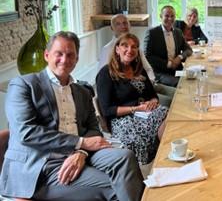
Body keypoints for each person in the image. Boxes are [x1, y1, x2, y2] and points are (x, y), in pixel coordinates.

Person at [0, 31, 144, 200]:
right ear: (47, 55)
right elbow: (26, 132)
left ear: (76, 59)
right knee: (116, 186)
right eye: (58, 54)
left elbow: (93, 129)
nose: (65, 59)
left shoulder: (82, 91)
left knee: (126, 157)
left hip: (77, 152)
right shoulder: (23, 85)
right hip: (40, 163)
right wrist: (80, 142)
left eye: (70, 55)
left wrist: (81, 152)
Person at [96, 33, 168, 165]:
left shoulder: (138, 69)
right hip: (122, 120)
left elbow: (153, 95)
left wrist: (153, 102)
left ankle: (165, 159)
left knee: (167, 114)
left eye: (134, 47)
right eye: (125, 45)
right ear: (117, 49)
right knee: (162, 118)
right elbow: (107, 110)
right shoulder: (106, 73)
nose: (130, 50)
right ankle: (156, 162)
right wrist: (136, 108)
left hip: (146, 113)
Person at [98, 14, 175, 107]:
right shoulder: (107, 49)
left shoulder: (135, 47)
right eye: (118, 24)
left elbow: (148, 68)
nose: (123, 26)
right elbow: (104, 78)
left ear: (130, 25)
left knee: (178, 94)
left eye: (125, 23)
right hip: (130, 94)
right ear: (111, 27)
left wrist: (150, 83)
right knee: (172, 102)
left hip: (148, 84)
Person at [144, 5, 193, 87]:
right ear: (161, 16)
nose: (170, 19)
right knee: (180, 84)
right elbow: (147, 56)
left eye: (172, 16)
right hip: (160, 72)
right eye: (166, 16)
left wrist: (179, 57)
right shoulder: (152, 33)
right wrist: (169, 64)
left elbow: (188, 50)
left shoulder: (178, 32)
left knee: (193, 79)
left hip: (177, 69)